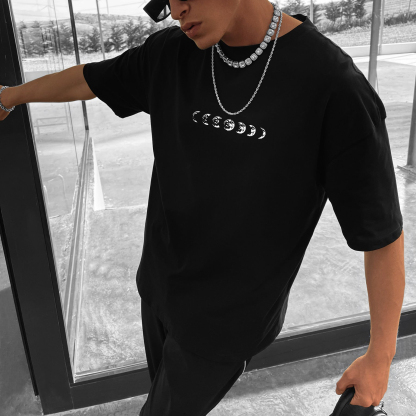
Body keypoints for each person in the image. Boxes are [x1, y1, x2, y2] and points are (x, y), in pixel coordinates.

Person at [0, 0, 405, 415]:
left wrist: (380, 357)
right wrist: (9, 96)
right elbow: (89, 79)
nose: (177, 10)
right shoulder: (171, 53)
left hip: (228, 319)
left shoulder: (331, 84)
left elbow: (381, 233)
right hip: (159, 286)